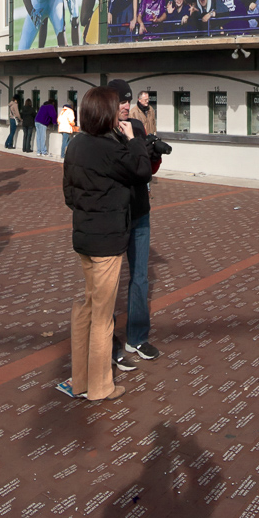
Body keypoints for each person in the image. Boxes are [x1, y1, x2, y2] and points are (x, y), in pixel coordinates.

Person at [58, 86, 152, 402]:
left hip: (84, 237)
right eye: (115, 109)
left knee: (87, 304)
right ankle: (100, 386)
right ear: (105, 114)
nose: (119, 114)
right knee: (102, 315)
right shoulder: (109, 149)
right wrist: (135, 139)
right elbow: (140, 171)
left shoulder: (76, 145)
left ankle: (81, 378)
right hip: (108, 240)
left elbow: (69, 195)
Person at [107, 79, 160, 369]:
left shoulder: (138, 128)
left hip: (140, 212)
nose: (126, 106)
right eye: (120, 101)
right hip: (116, 216)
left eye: (128, 101)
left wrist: (153, 157)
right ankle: (110, 341)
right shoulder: (103, 134)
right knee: (110, 281)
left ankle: (136, 337)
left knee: (140, 277)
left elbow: (145, 173)